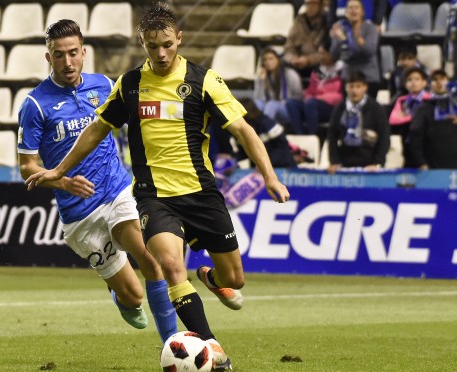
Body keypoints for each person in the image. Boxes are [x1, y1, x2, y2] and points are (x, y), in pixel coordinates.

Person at [25, 4, 290, 370]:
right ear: (143, 43)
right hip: (154, 197)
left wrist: (270, 176)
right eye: (152, 46)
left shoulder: (204, 81)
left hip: (201, 193)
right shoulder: (130, 85)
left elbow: (244, 130)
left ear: (179, 39)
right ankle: (212, 349)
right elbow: (97, 130)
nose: (161, 53)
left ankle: (213, 279)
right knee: (168, 265)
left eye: (167, 44)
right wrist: (59, 171)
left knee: (235, 278)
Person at [17, 19, 177, 344]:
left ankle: (173, 347)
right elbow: (27, 166)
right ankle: (119, 294)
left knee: (150, 259)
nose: (67, 62)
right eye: (59, 55)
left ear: (84, 52)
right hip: (80, 216)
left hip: (117, 191)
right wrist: (63, 182)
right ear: (48, 58)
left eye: (73, 53)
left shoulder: (104, 84)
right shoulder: (34, 105)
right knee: (133, 297)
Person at [408, 69, 457, 169]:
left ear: (449, 81)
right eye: (435, 79)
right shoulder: (424, 108)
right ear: (429, 85)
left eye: (442, 78)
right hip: (436, 166)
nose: (439, 82)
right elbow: (415, 137)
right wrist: (421, 162)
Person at [327, 71, 390, 173]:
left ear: (365, 87)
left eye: (358, 86)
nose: (354, 90)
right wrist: (334, 161)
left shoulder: (376, 108)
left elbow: (384, 137)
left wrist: (377, 163)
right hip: (344, 162)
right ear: (345, 87)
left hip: (370, 163)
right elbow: (332, 136)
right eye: (351, 86)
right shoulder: (339, 108)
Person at [329, 0, 381, 99]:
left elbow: (368, 52)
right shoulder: (341, 28)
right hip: (348, 77)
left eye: (356, 8)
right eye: (350, 8)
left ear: (362, 12)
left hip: (368, 76)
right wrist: (340, 41)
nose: (353, 11)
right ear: (346, 12)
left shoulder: (370, 29)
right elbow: (334, 55)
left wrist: (346, 40)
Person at [286, 46, 343, 135]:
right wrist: (308, 96)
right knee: (291, 103)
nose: (320, 57)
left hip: (331, 108)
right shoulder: (317, 71)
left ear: (331, 54)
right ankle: (300, 135)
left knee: (311, 103)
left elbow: (340, 95)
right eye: (319, 54)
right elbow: (310, 91)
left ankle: (312, 136)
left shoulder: (342, 71)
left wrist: (319, 98)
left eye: (323, 54)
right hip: (313, 104)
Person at [254, 47, 303, 129]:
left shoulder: (290, 74)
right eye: (265, 60)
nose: (268, 62)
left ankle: (265, 130)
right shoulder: (264, 76)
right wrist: (260, 81)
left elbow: (298, 97)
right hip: (270, 108)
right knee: (257, 104)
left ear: (278, 60)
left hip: (288, 110)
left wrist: (282, 103)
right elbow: (258, 98)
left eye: (271, 59)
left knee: (272, 105)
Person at [283, 0, 328, 79]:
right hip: (297, 61)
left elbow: (328, 53)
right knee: (279, 64)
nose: (310, 7)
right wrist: (291, 58)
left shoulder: (327, 22)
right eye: (308, 3)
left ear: (321, 5)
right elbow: (289, 46)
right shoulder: (299, 21)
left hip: (318, 64)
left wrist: (308, 60)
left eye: (314, 3)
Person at [388, 67, 431, 140]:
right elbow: (393, 120)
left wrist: (407, 116)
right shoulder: (402, 100)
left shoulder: (430, 99)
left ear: (424, 83)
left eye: (417, 79)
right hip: (407, 137)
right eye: (409, 80)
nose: (413, 82)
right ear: (405, 84)